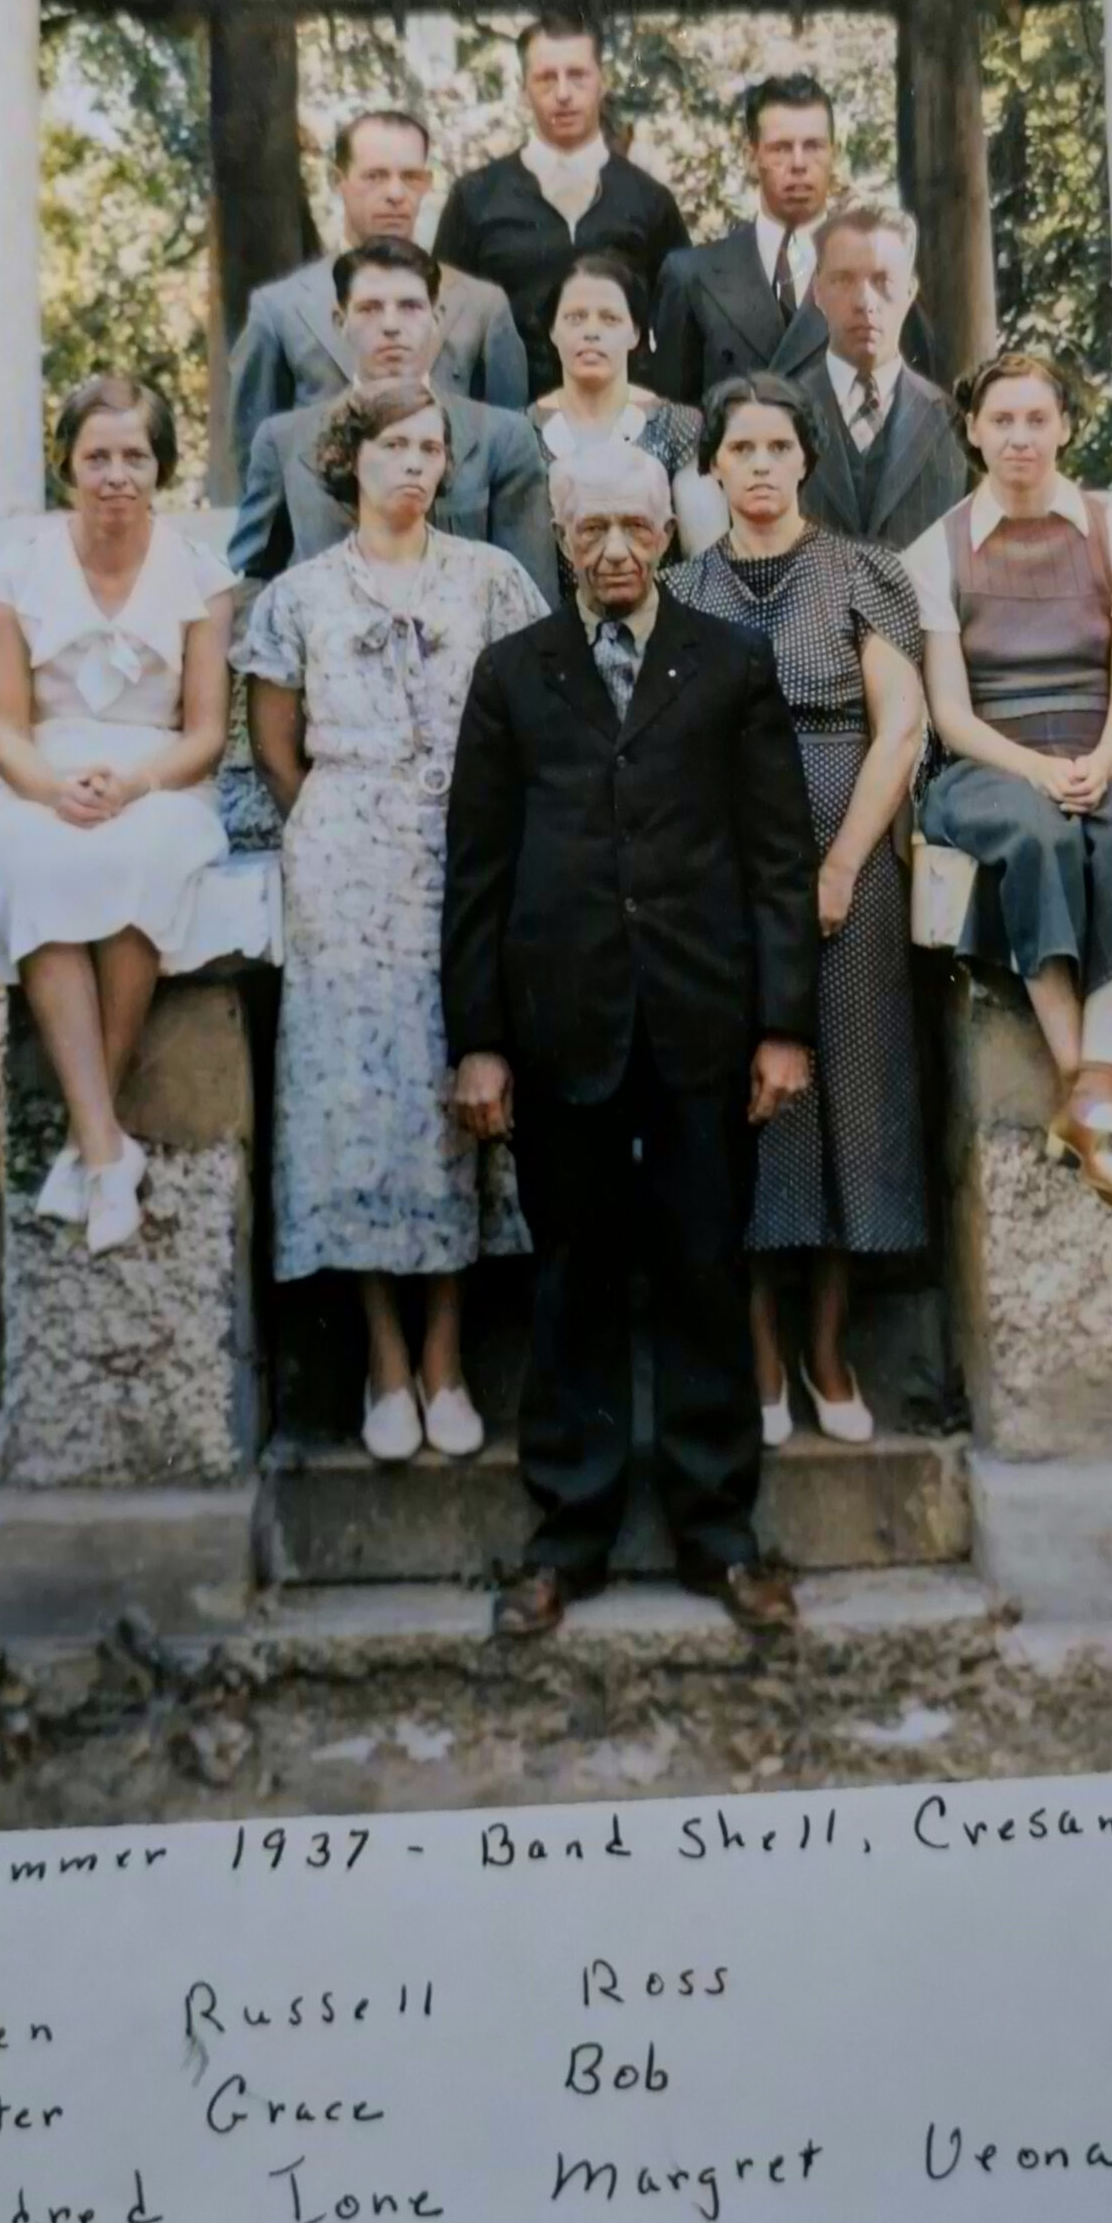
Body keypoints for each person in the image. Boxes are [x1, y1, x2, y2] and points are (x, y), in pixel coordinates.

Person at [442, 441, 821, 1640]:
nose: (614, 551)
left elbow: (774, 858)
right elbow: (477, 874)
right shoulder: (512, 674)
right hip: (563, 1027)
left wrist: (780, 1027)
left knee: (707, 1268)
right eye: (591, 528)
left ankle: (718, 1537)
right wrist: (481, 1043)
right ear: (559, 535)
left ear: (670, 533)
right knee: (573, 1283)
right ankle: (567, 1539)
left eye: (636, 528)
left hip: (702, 1021)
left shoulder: (730, 664)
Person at [238, 382, 549, 1463]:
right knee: (356, 1104)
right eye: (393, 446)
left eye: (430, 447)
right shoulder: (300, 597)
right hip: (343, 859)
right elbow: (278, 751)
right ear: (349, 460)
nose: (414, 464)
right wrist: (344, 822)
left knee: (455, 1087)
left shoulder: (493, 581)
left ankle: (447, 1357)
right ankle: (381, 1357)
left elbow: (530, 720)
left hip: (464, 855)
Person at [667, 375, 929, 1444]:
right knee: (743, 1102)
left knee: (846, 1092)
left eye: (780, 446)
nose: (762, 465)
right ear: (712, 467)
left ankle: (828, 1345)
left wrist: (838, 865)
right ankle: (759, 1348)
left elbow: (900, 727)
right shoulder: (680, 588)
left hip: (846, 845)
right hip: (719, 867)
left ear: (804, 460)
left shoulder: (862, 573)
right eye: (741, 448)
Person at [910, 350, 1112, 1208]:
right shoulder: (934, 550)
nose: (1020, 438)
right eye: (1002, 420)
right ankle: (1088, 1095)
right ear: (974, 431)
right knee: (1035, 833)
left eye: (1037, 419)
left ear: (1064, 427)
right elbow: (952, 717)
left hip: (1111, 750)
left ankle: (1092, 1094)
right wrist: (1040, 771)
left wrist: (1102, 760)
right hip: (993, 764)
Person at [0, 375, 263, 1254]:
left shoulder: (202, 578)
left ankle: (87, 1143)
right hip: (42, 775)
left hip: (160, 779)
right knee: (33, 858)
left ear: (160, 466)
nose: (117, 475)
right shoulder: (15, 573)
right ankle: (106, 1147)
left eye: (135, 455)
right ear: (68, 468)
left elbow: (206, 733)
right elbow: (3, 727)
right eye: (97, 457)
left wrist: (133, 787)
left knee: (139, 859)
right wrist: (51, 790)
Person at [230, 238, 557, 602]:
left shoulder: (502, 439)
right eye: (370, 308)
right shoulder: (284, 441)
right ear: (340, 321)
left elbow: (531, 594)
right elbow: (253, 578)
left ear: (436, 319)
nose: (390, 325)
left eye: (410, 307)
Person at [226, 109, 528, 480]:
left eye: (411, 177)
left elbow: (509, 451)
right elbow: (252, 462)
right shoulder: (280, 309)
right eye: (375, 177)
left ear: (428, 182)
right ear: (339, 181)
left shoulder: (481, 305)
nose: (395, 194)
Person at [433, 12, 690, 400]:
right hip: (509, 425)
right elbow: (446, 328)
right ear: (524, 89)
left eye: (577, 75)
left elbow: (679, 332)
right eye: (546, 78)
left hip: (623, 431)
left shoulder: (648, 199)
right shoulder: (476, 198)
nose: (564, 92)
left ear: (601, 82)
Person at [651, 74, 939, 406]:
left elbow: (918, 416)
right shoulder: (692, 276)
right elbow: (672, 423)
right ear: (751, 156)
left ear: (834, 153)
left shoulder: (881, 270)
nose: (799, 164)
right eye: (781, 148)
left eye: (813, 146)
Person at [532, 252, 723, 594]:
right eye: (575, 318)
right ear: (552, 331)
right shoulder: (522, 432)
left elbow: (706, 562)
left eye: (609, 319)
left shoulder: (678, 425)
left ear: (635, 333)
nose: (591, 332)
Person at [796, 200, 967, 552]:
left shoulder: (954, 422)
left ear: (910, 289)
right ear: (816, 290)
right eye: (843, 279)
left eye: (882, 279)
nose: (864, 301)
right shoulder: (777, 414)